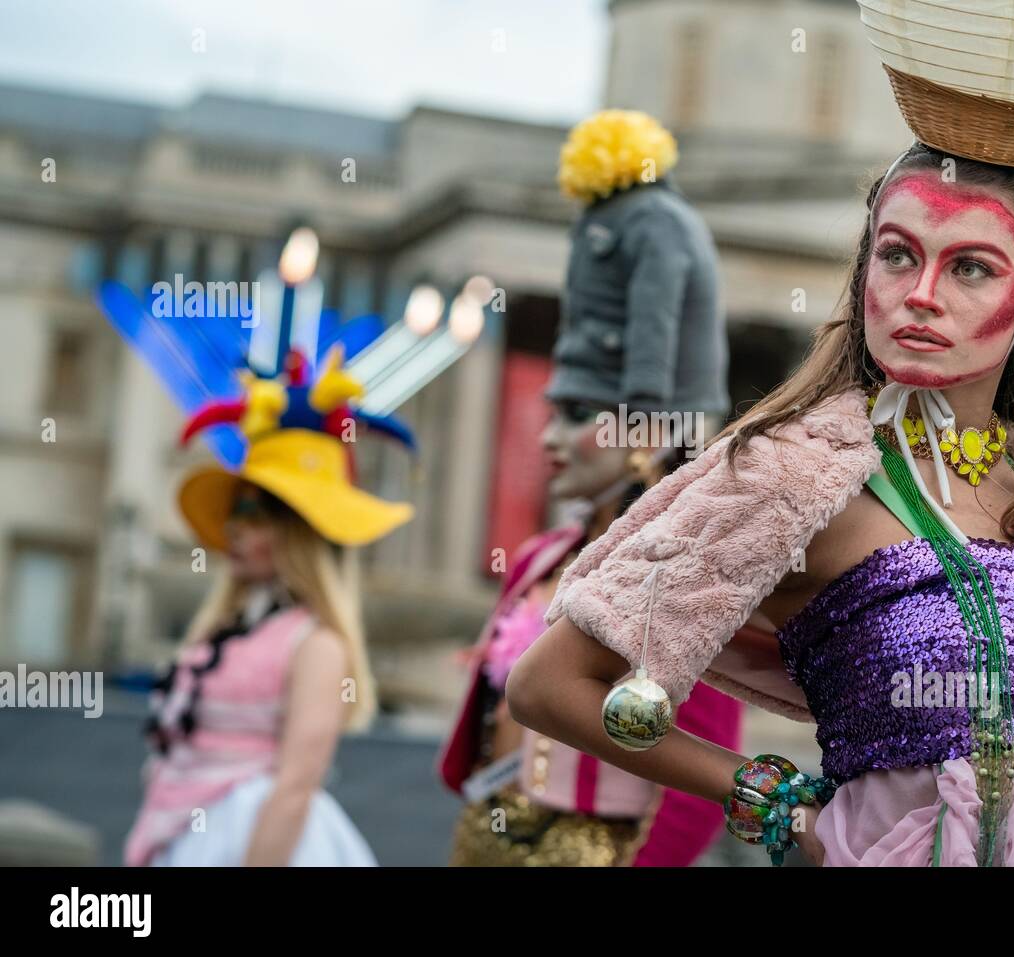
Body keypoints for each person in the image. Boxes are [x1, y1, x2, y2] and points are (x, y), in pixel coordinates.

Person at [505, 141, 1014, 867]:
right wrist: (778, 805)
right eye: (897, 255)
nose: (921, 292)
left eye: (970, 268)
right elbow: (550, 684)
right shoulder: (793, 474)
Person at [437, 108, 742, 866]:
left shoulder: (692, 569)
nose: (545, 437)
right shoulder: (545, 555)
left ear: (645, 430)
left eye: (576, 414)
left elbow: (705, 770)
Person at [123, 348, 414, 866]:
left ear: (296, 531)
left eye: (257, 514)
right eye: (237, 511)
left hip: (257, 845)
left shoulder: (318, 644)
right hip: (183, 838)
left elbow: (295, 787)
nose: (235, 528)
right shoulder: (225, 627)